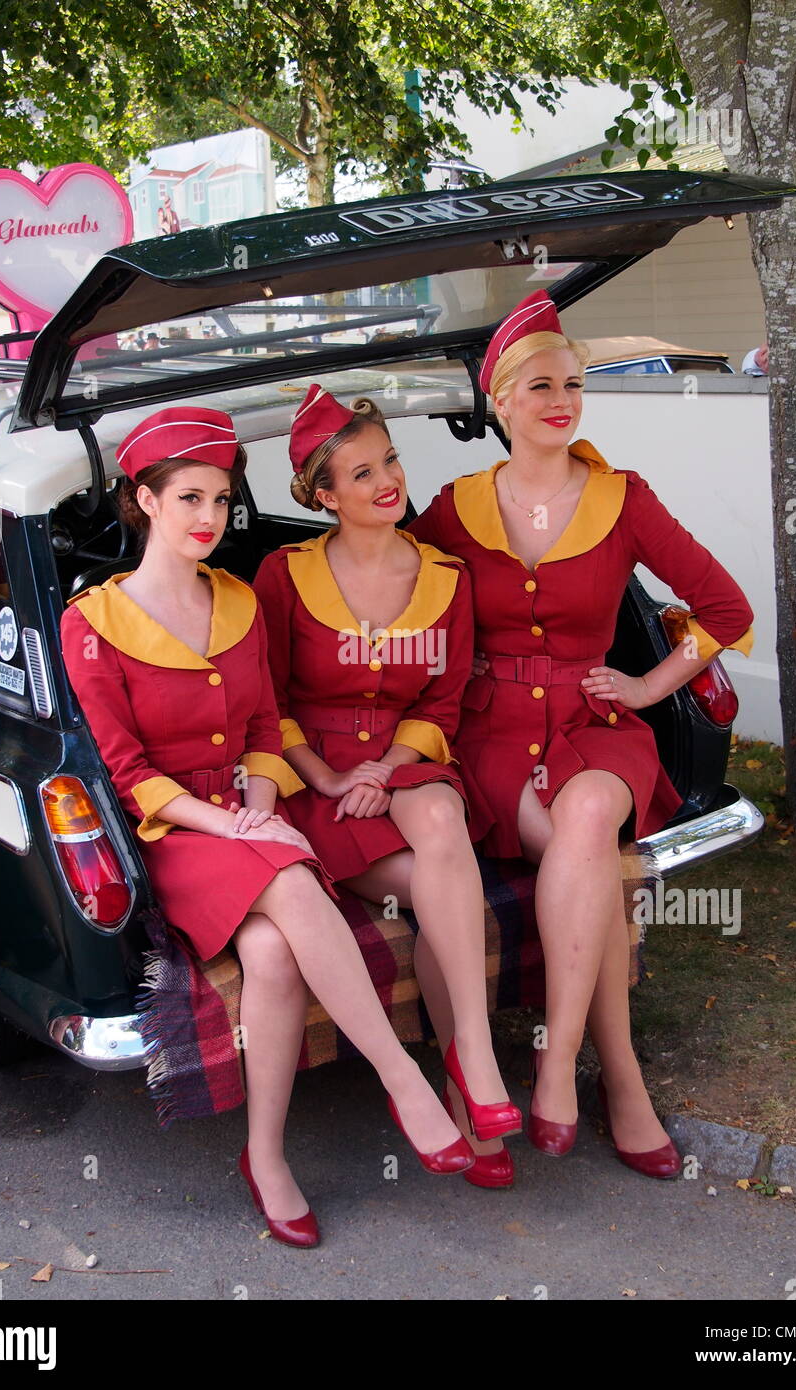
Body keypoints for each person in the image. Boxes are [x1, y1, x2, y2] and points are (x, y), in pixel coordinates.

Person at [60, 406, 474, 1249]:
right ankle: (405, 1080)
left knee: (275, 953)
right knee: (288, 874)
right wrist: (236, 823)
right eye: (187, 499)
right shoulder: (92, 624)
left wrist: (257, 800)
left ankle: (266, 1158)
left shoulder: (241, 600)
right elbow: (130, 773)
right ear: (144, 501)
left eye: (219, 498)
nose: (208, 517)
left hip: (250, 806)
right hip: (175, 832)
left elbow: (261, 727)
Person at [408, 290, 754, 1179]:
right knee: (590, 854)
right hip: (489, 736)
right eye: (539, 387)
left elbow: (724, 608)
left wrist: (647, 684)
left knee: (593, 812)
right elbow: (397, 601)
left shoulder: (622, 498)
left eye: (572, 384)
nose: (560, 400)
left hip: (597, 727)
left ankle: (557, 1061)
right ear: (502, 403)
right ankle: (623, 1078)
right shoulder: (451, 509)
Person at [252, 385, 522, 1188]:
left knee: (439, 815)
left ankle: (469, 1055)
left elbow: (441, 704)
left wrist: (390, 767)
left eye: (391, 462)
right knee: (443, 895)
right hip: (320, 783)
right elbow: (267, 706)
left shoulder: (446, 573)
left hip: (405, 765)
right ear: (324, 496)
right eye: (361, 473)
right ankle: (462, 1083)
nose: (386, 482)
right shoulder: (283, 572)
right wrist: (335, 776)